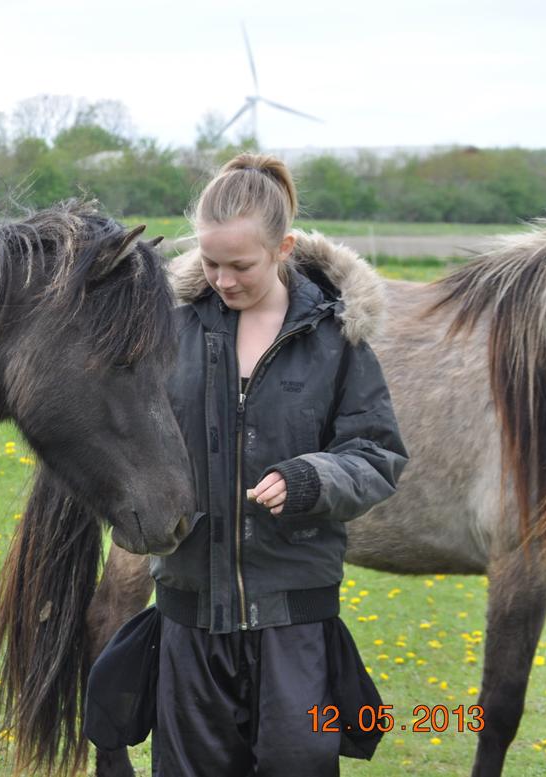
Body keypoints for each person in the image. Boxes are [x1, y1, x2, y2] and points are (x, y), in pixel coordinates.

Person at [149, 153, 408, 776]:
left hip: (296, 621)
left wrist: (311, 478)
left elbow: (378, 454)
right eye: (210, 263)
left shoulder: (335, 341)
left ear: (283, 248)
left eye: (241, 265)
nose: (223, 280)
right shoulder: (168, 330)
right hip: (190, 614)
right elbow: (130, 440)